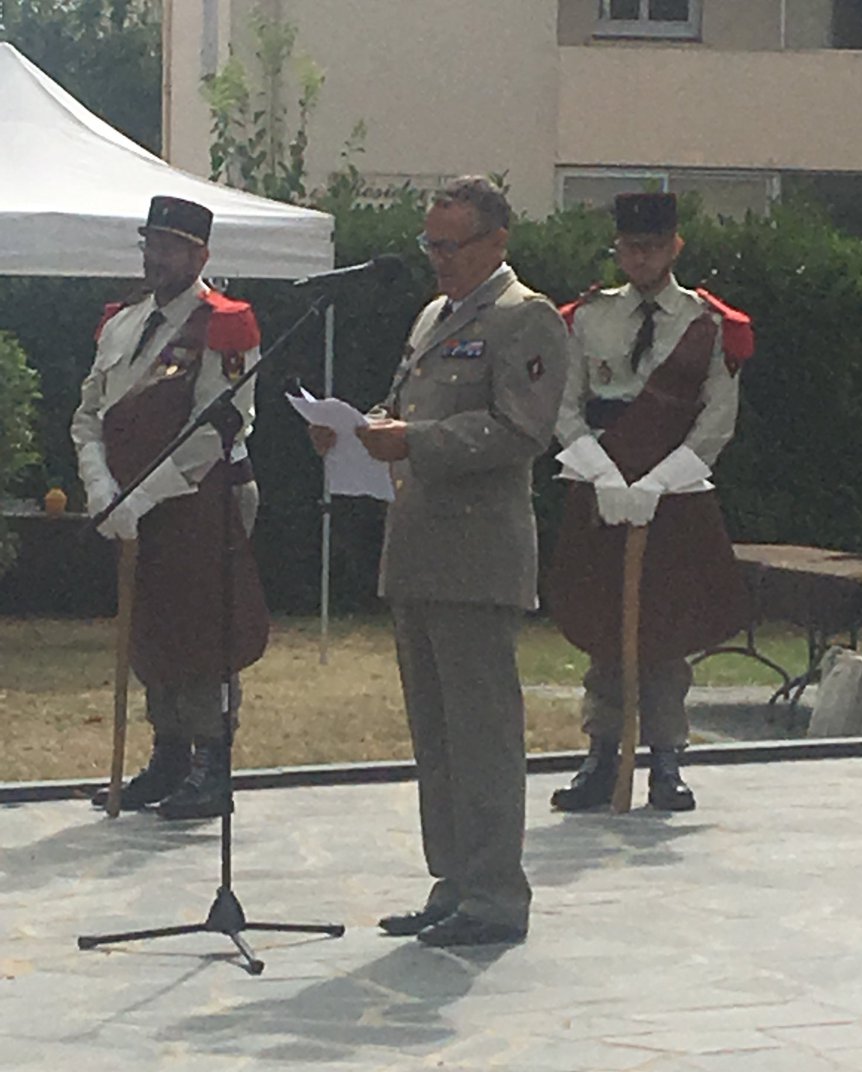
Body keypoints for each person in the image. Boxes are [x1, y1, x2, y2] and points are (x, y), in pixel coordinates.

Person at [309, 176, 567, 946]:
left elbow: (522, 430)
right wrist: (357, 431)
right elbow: (407, 411)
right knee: (437, 732)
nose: (438, 259)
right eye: (430, 244)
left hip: (478, 555)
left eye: (452, 245)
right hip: (419, 548)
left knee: (482, 733)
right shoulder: (434, 316)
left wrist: (413, 441)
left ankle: (494, 897)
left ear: (497, 241)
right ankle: (453, 881)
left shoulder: (525, 317)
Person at [548, 192, 753, 814]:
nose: (641, 258)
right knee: (602, 624)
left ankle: (666, 759)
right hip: (600, 486)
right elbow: (563, 405)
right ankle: (600, 755)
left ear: (675, 247)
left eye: (654, 247)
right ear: (618, 249)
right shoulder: (585, 319)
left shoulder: (709, 324)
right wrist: (601, 472)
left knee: (667, 628)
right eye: (631, 247)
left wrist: (661, 481)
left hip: (676, 493)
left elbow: (717, 419)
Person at [72, 195, 269, 821]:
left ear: (200, 256)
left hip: (198, 498)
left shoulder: (223, 324)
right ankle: (169, 755)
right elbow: (89, 417)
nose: (156, 257)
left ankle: (212, 760)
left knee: (203, 628)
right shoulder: (122, 323)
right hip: (127, 503)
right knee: (152, 625)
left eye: (170, 247)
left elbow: (216, 430)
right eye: (151, 244)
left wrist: (141, 496)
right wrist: (101, 488)